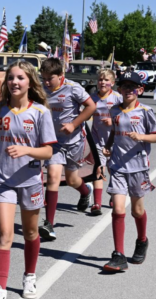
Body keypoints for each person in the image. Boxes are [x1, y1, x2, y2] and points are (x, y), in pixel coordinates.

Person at [0, 61, 56, 299]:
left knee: (31, 233)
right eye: (11, 78)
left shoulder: (40, 112)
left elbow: (48, 151)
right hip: (4, 181)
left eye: (20, 78)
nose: (14, 82)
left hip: (31, 181)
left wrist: (26, 150)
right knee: (5, 234)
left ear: (30, 82)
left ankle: (29, 276)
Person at [102, 71, 156, 271]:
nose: (128, 90)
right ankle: (118, 255)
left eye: (132, 87)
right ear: (119, 89)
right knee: (118, 209)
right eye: (125, 86)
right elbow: (114, 132)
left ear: (140, 90)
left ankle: (142, 240)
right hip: (118, 166)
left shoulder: (145, 111)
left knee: (137, 210)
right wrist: (108, 145)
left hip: (138, 167)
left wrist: (141, 137)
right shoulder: (114, 110)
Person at [38, 58, 97, 240]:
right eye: (44, 78)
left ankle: (85, 191)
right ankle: (49, 224)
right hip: (53, 142)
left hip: (73, 141)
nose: (47, 82)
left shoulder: (73, 88)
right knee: (53, 177)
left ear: (61, 75)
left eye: (50, 78)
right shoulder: (41, 89)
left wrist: (73, 124)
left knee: (72, 180)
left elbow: (91, 106)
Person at [89, 69, 122, 215]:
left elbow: (126, 116)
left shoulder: (118, 98)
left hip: (115, 141)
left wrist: (113, 121)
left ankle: (113, 193)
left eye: (106, 80)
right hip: (97, 140)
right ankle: (96, 203)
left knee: (112, 169)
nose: (103, 82)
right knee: (98, 169)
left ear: (112, 83)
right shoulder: (92, 98)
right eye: (100, 79)